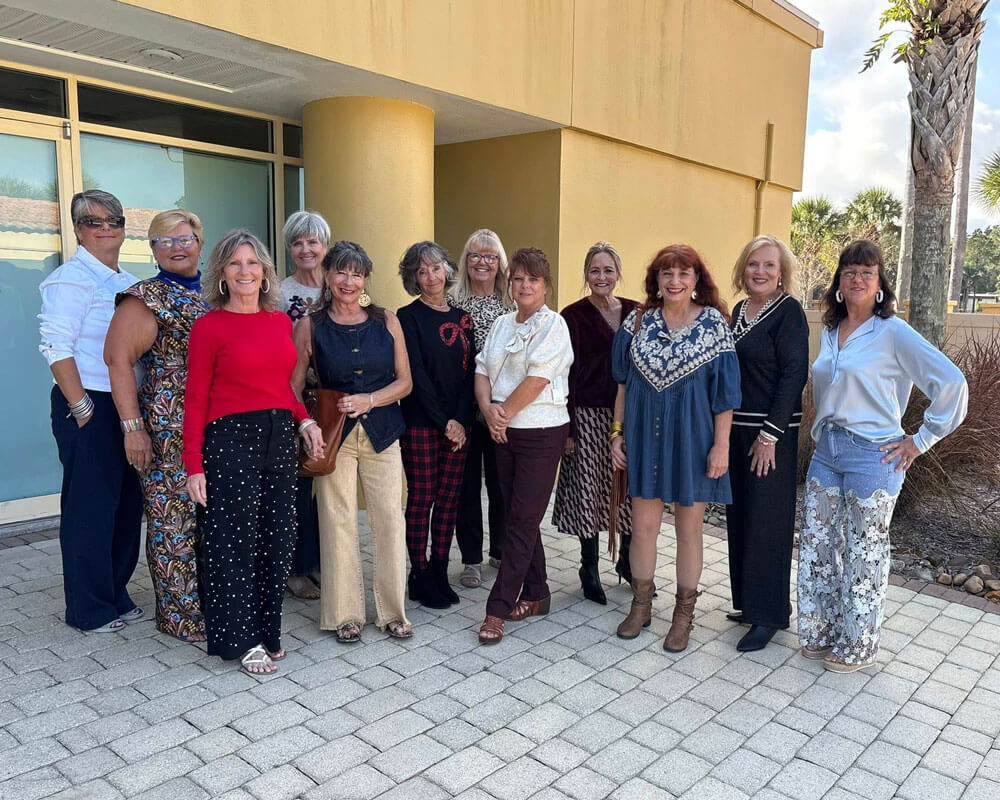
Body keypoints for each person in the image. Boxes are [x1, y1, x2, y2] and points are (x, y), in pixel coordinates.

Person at [797, 240, 967, 673]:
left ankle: (860, 643)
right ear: (838, 282)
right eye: (849, 272)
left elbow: (951, 383)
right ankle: (822, 629)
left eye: (866, 273)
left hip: (874, 455)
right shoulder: (832, 331)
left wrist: (920, 440)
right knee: (818, 545)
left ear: (879, 285)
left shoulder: (892, 331)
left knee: (863, 552)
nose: (856, 279)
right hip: (827, 450)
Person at [183, 229, 323, 675]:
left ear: (265, 272)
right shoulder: (208, 327)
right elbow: (195, 399)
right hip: (229, 440)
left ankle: (269, 631)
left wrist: (303, 419)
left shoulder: (279, 322)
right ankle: (241, 640)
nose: (246, 272)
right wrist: (192, 464)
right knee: (234, 542)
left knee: (279, 539)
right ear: (222, 273)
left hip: (278, 436)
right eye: (236, 264)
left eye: (253, 263)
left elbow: (282, 386)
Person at [611, 244, 741, 652]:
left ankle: (683, 614)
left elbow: (725, 397)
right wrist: (616, 434)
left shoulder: (714, 325)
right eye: (667, 273)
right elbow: (622, 384)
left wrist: (721, 447)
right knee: (644, 528)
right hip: (644, 438)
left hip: (694, 441)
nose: (675, 281)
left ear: (696, 280)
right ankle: (641, 604)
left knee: (689, 530)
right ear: (656, 280)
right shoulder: (636, 322)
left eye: (684, 273)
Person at [292, 240, 414, 643]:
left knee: (389, 522)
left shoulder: (387, 321)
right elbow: (291, 390)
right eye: (341, 271)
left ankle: (393, 612)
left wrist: (371, 399)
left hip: (383, 435)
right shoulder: (310, 325)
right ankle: (344, 614)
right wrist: (306, 424)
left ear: (365, 278)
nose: (348, 280)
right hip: (333, 437)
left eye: (357, 273)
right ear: (327, 275)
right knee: (337, 522)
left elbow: (405, 382)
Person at [38, 189, 143, 633]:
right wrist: (81, 407)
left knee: (124, 506)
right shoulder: (69, 279)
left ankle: (115, 594)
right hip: (90, 404)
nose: (106, 228)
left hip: (125, 405)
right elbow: (55, 346)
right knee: (90, 510)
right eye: (94, 221)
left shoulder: (129, 280)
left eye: (114, 220)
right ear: (79, 229)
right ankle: (88, 608)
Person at [105, 209, 211, 642]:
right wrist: (134, 428)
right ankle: (180, 617)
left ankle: (216, 602)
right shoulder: (145, 297)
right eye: (163, 241)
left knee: (210, 518)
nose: (176, 247)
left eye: (184, 238)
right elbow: (118, 360)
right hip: (170, 426)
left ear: (200, 243)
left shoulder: (217, 293)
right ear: (151, 251)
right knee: (174, 522)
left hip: (217, 422)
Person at [475, 248, 573, 644]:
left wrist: (503, 413)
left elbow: (539, 379)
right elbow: (482, 369)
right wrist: (489, 411)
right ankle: (537, 593)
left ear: (546, 284)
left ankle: (497, 608)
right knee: (519, 514)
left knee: (519, 521)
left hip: (541, 432)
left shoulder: (555, 326)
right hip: (502, 431)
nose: (525, 285)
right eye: (518, 278)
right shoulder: (501, 324)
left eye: (533, 279)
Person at [724, 236, 809, 652]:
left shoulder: (789, 313)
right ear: (744, 268)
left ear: (781, 273)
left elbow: (794, 376)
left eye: (769, 266)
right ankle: (749, 603)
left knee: (768, 523)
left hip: (770, 435)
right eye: (753, 264)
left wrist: (769, 436)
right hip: (737, 430)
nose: (760, 272)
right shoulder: (739, 310)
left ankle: (770, 615)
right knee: (740, 517)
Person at [553, 242, 638, 604]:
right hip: (586, 414)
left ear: (618, 273)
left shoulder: (638, 312)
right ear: (586, 275)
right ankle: (589, 567)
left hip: (629, 415)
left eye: (608, 270)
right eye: (594, 271)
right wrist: (568, 428)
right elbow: (563, 374)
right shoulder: (572, 316)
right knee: (589, 491)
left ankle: (628, 560)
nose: (601, 277)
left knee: (629, 489)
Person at [397, 241, 475, 608]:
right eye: (421, 271)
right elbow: (415, 376)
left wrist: (460, 419)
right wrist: (444, 422)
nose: (431, 276)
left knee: (448, 500)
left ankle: (441, 569)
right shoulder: (407, 316)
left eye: (436, 267)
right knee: (422, 499)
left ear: (447, 269)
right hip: (421, 422)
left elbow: (471, 372)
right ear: (414, 278)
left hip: (459, 423)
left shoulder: (462, 318)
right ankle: (420, 573)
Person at [451, 229, 511, 589]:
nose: (483, 262)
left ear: (500, 262)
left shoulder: (511, 303)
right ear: (466, 261)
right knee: (467, 486)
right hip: (463, 408)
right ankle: (471, 558)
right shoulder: (453, 301)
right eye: (475, 255)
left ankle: (501, 552)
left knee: (503, 484)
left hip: (503, 408)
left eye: (490, 256)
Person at [278, 210, 332, 601]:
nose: (305, 249)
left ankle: (322, 561)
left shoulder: (340, 286)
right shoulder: (279, 293)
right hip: (293, 397)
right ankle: (295, 568)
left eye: (312, 241)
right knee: (297, 486)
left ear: (325, 245)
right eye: (297, 242)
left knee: (329, 484)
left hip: (333, 401)